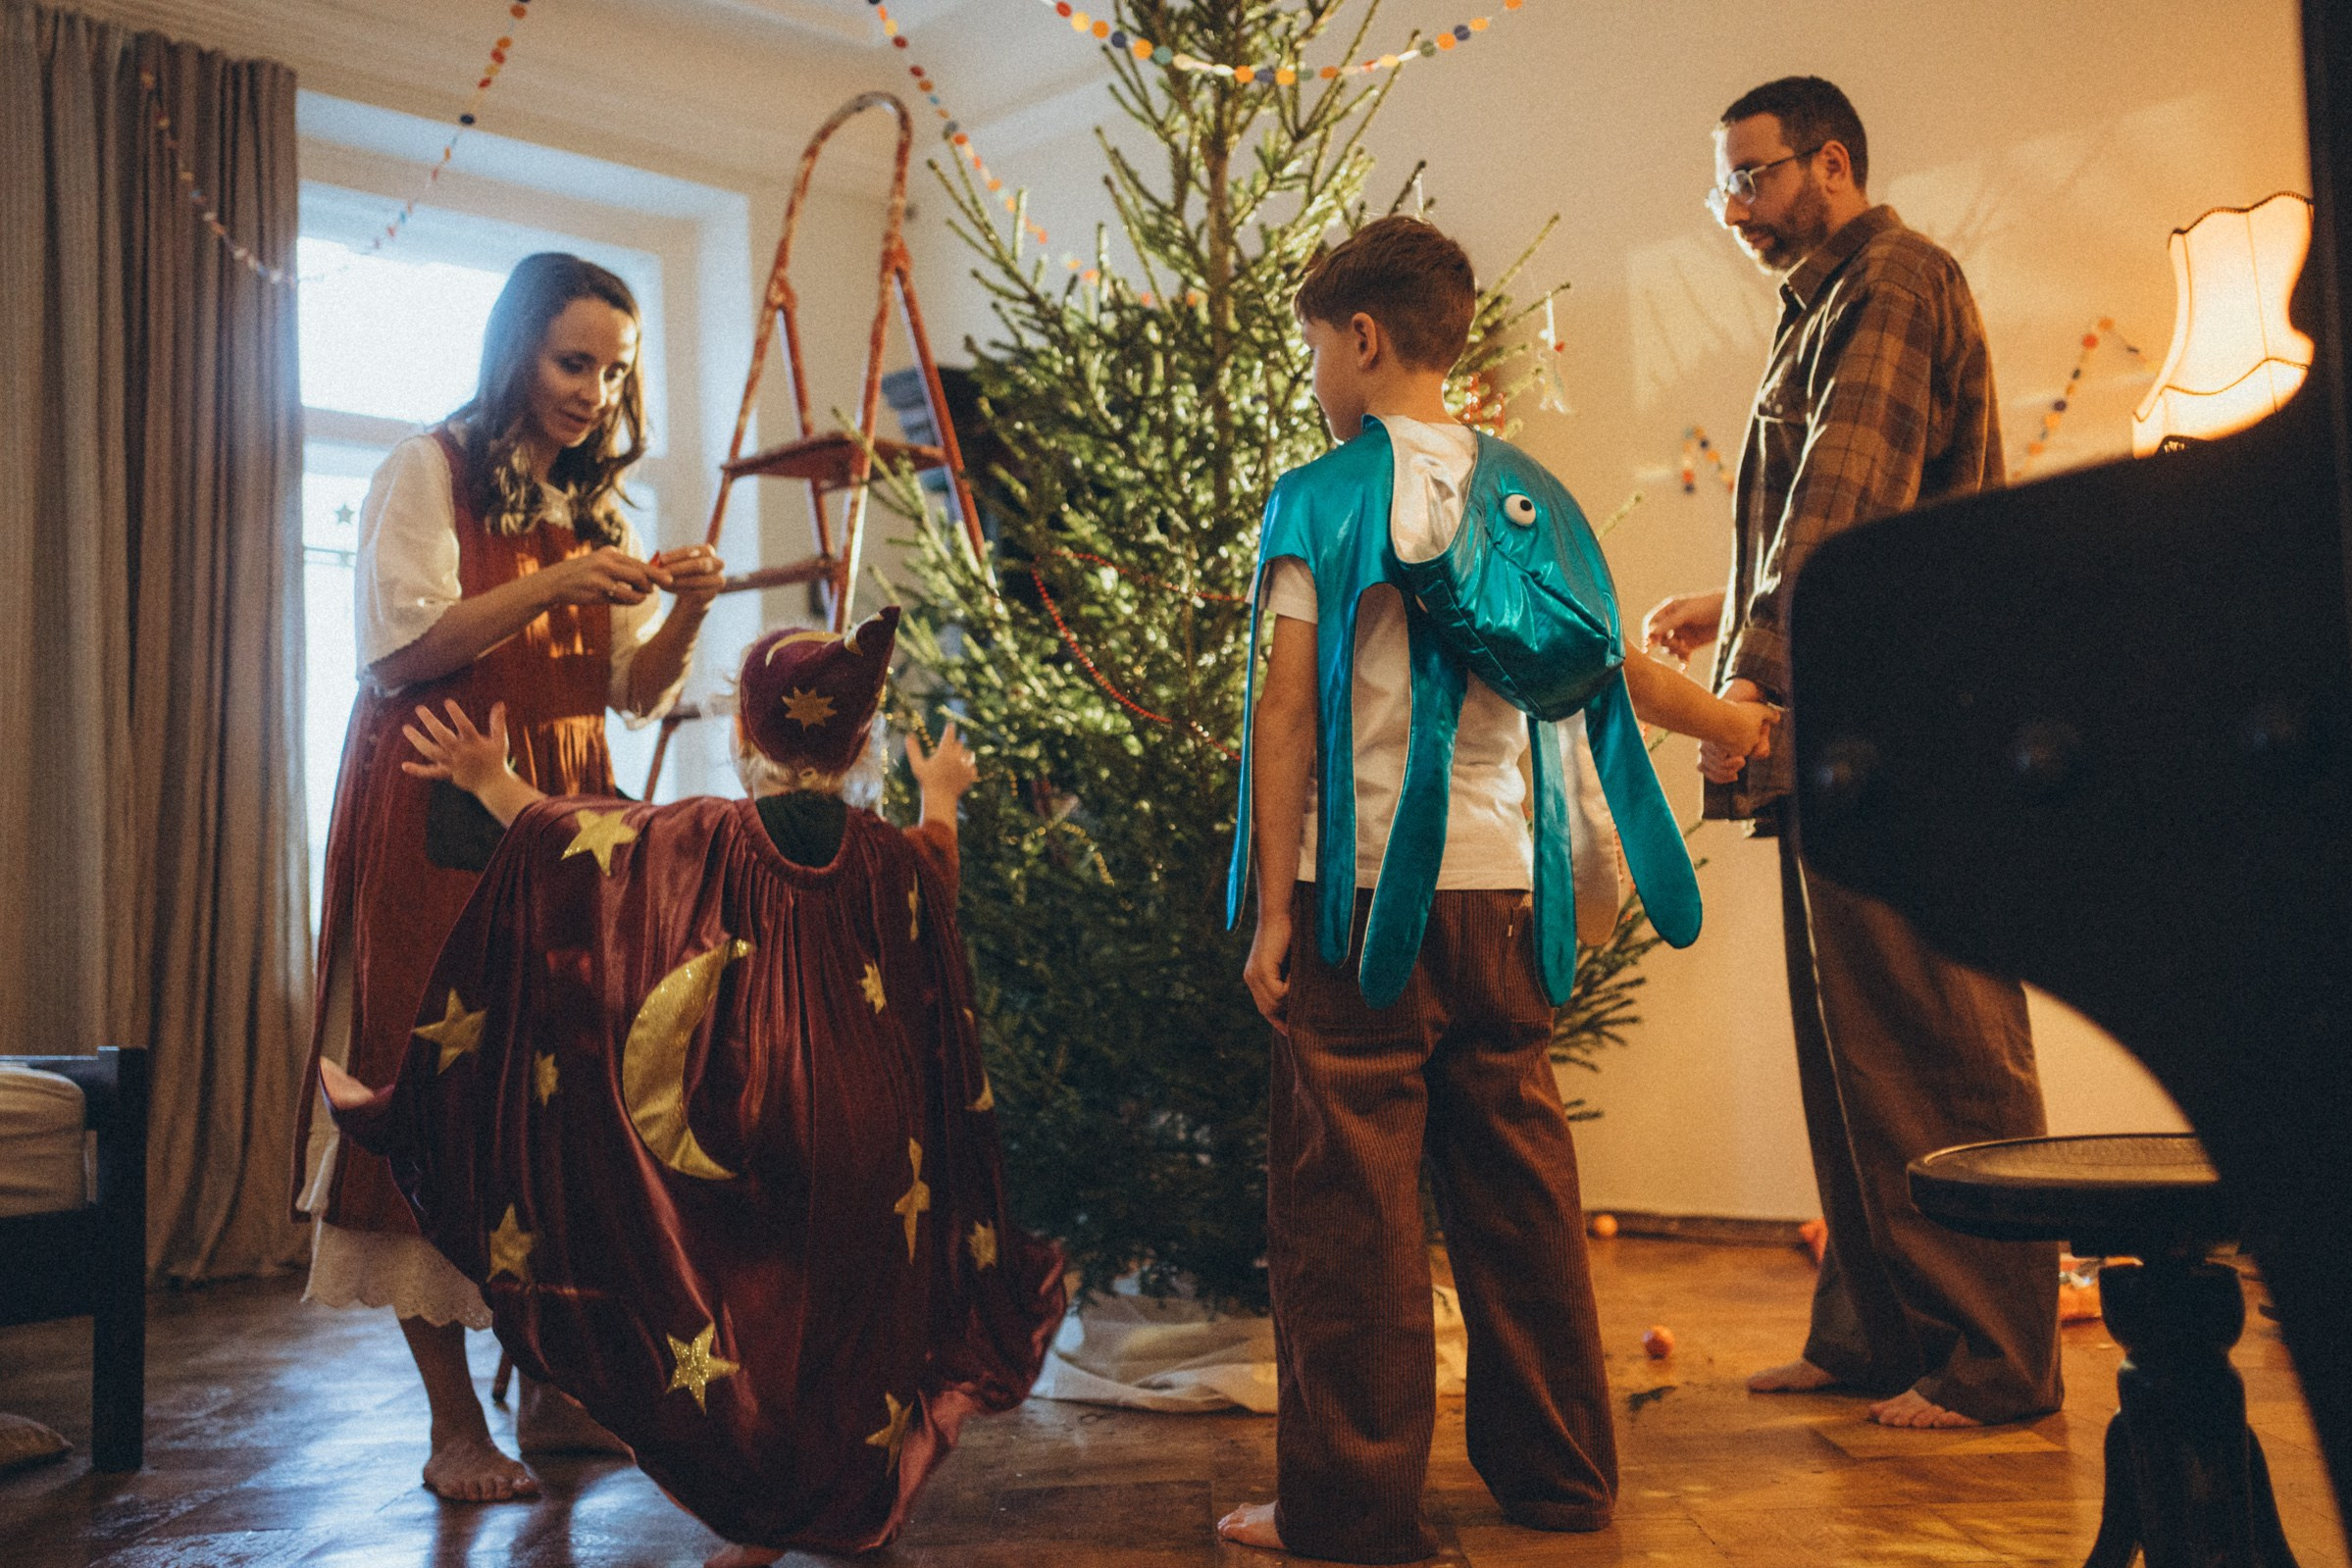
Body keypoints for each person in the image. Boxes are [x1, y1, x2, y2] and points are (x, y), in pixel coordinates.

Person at [1217, 216, 1777, 1562]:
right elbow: (1601, 671)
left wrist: (1278, 910)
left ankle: (1344, 1508)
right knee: (1517, 1188)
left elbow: (1286, 717)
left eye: (1314, 351)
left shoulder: (1320, 496)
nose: (1313, 380)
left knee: (1351, 1209)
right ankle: (1562, 1474)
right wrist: (1728, 724)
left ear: (1358, 340)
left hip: (1366, 908)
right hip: (1507, 903)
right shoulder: (1529, 492)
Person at [320, 606, 1064, 1565]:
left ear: (746, 736)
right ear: (863, 741)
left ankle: (763, 1521)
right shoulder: (884, 850)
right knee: (851, 1321)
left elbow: (585, 843)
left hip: (756, 1124)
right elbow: (941, 871)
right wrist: (942, 792)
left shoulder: (710, 835)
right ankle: (855, 1491)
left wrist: (490, 777)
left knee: (756, 1322)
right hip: (877, 1138)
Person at [1644, 76, 2062, 1429]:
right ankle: (1881, 1332)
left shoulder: (1889, 280)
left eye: (1754, 177)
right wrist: (1728, 606)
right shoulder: (1822, 300)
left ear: (1830, 163)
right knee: (1853, 1053)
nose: (1734, 209)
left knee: (1934, 1046)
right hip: (1851, 730)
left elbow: (1840, 510)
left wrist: (1741, 699)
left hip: (1905, 738)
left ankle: (1995, 1362)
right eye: (1723, 186)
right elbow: (1840, 509)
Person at [292, 252, 727, 1501]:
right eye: (572, 361)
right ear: (514, 352)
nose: (595, 391)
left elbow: (632, 693)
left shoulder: (595, 512)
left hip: (569, 813)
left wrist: (683, 606)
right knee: (429, 1095)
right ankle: (449, 1427)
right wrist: (555, 579)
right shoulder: (422, 470)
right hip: (440, 808)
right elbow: (397, 653)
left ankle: (551, 1390)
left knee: (568, 1097)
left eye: (614, 371)